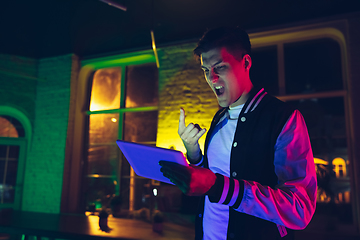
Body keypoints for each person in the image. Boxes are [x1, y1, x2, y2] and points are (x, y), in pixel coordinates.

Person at [159, 27, 317, 240]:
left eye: (220, 67)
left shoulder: (283, 118)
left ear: (246, 63)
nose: (211, 79)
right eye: (206, 70)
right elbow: (213, 175)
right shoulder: (219, 118)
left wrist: (220, 187)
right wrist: (194, 154)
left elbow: (299, 209)